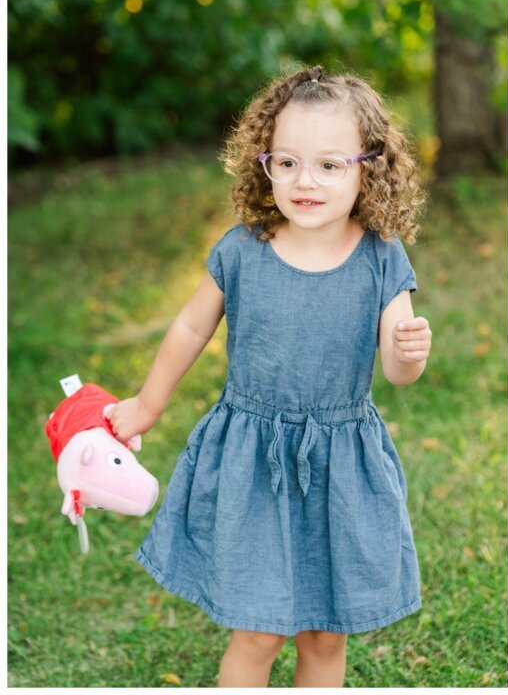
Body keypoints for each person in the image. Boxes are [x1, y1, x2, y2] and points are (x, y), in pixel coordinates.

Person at [107, 65, 431, 687]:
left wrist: (409, 352)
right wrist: (147, 405)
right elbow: (190, 330)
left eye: (329, 165)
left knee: (324, 633)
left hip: (341, 465)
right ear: (264, 163)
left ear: (369, 167)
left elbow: (397, 372)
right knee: (258, 631)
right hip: (251, 461)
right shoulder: (241, 250)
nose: (304, 181)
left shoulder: (381, 256)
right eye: (286, 163)